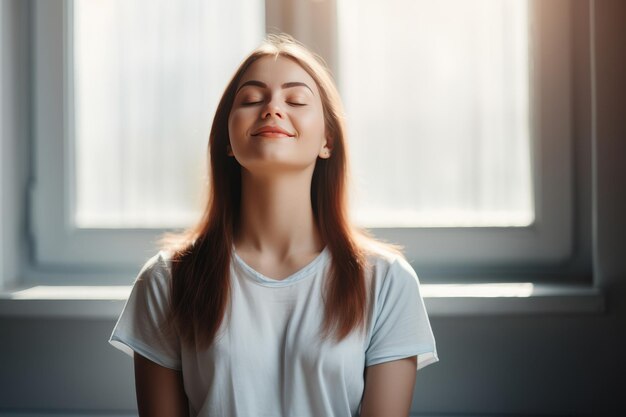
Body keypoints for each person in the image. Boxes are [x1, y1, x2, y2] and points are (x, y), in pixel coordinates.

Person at [109, 33, 438, 417]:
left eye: (296, 99)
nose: (272, 108)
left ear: (327, 140)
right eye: (251, 99)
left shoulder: (387, 282)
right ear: (227, 141)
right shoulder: (167, 279)